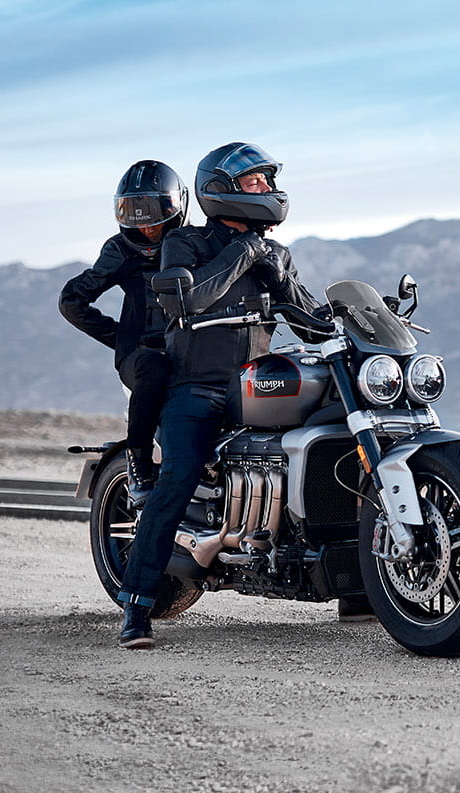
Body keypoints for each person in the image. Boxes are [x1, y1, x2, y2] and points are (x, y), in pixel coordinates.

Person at [116, 142, 323, 649]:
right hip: (197, 388)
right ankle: (138, 607)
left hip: (257, 385)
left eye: (269, 182)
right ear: (224, 191)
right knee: (178, 477)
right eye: (257, 183)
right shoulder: (185, 245)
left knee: (329, 441)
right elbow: (190, 299)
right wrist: (244, 253)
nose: (269, 190)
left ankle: (357, 585)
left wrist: (355, 317)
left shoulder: (276, 253)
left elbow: (313, 322)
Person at [60, 160, 188, 508]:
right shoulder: (120, 250)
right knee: (152, 367)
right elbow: (73, 301)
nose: (145, 224)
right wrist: (122, 340)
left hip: (194, 350)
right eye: (134, 211)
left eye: (153, 210)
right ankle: (139, 467)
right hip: (143, 357)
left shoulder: (194, 244)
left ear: (175, 204)